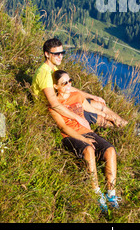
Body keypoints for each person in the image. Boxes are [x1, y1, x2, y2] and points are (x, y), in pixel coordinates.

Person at [32, 37, 140, 134]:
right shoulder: (44, 73)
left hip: (66, 102)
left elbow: (67, 88)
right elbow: (53, 103)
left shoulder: (52, 69)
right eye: (56, 54)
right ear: (47, 54)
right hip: (55, 111)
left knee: (100, 105)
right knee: (99, 118)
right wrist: (77, 117)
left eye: (62, 53)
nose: (60, 56)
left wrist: (92, 96)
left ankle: (130, 127)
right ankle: (128, 131)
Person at [50, 70, 120, 212]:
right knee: (89, 149)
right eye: (64, 83)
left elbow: (92, 110)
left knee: (110, 150)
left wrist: (109, 116)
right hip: (70, 136)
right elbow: (63, 126)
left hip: (88, 132)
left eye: (70, 81)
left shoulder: (77, 95)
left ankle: (111, 194)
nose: (68, 85)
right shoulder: (55, 104)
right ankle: (96, 192)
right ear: (55, 86)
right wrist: (83, 139)